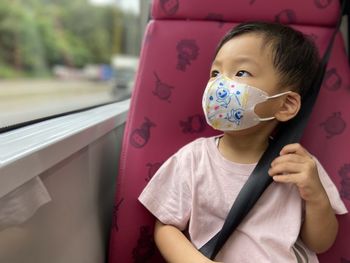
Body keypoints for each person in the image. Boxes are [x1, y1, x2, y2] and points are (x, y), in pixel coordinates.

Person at [138, 21, 348, 263]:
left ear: (286, 104)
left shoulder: (298, 165)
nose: (220, 85)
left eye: (241, 73)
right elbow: (165, 226)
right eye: (215, 73)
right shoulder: (193, 159)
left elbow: (320, 243)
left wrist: (316, 195)